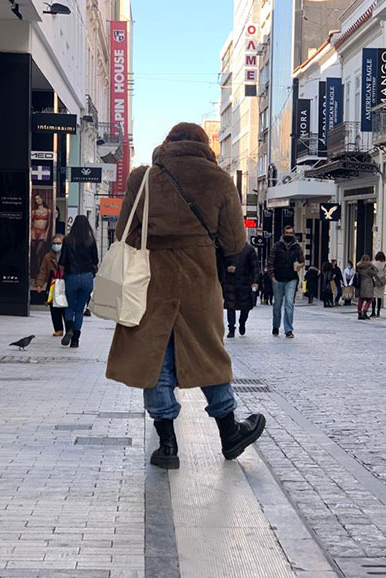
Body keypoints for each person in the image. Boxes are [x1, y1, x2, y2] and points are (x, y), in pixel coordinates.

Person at [106, 122, 265, 470]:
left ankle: (167, 444)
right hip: (199, 283)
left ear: (167, 143)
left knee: (156, 359)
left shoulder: (143, 178)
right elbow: (235, 243)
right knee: (208, 354)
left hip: (152, 283)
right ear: (205, 145)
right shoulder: (218, 179)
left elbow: (124, 235)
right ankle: (229, 432)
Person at [58, 215, 98, 348]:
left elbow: (62, 261)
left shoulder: (68, 240)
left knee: (69, 307)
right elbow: (95, 261)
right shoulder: (91, 241)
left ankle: (69, 329)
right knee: (80, 310)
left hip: (71, 277)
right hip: (87, 277)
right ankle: (75, 340)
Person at [267, 225, 304, 338]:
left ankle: (288, 329)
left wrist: (299, 265)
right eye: (287, 233)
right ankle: (276, 325)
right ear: (283, 234)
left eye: (291, 233)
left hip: (291, 279)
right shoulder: (276, 246)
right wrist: (272, 277)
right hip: (278, 278)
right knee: (277, 305)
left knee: (289, 303)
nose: (289, 235)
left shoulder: (297, 247)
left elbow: (302, 261)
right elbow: (270, 263)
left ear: (293, 234)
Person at [223, 242, 260, 338]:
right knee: (231, 306)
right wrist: (227, 268)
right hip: (231, 282)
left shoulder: (249, 249)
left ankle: (242, 322)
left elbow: (255, 267)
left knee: (245, 307)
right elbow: (221, 263)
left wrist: (255, 281)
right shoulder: (228, 249)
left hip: (245, 282)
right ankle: (231, 328)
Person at [35, 234, 69, 337]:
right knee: (54, 307)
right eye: (54, 243)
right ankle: (58, 329)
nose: (56, 245)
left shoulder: (68, 255)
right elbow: (43, 271)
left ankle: (69, 329)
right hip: (53, 284)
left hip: (65, 283)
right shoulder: (48, 257)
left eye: (59, 243)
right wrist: (39, 284)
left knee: (66, 307)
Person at [30, 194, 51, 278]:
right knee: (33, 252)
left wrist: (46, 233)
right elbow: (30, 222)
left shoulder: (48, 211)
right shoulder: (34, 211)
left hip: (43, 231)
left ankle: (38, 270)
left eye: (39, 198)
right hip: (34, 231)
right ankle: (33, 270)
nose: (38, 200)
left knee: (38, 252)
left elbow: (49, 224)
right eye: (36, 199)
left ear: (42, 199)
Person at [355, 255, 380, 320]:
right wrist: (372, 265)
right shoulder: (369, 268)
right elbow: (376, 272)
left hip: (361, 285)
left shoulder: (359, 267)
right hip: (368, 285)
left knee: (361, 300)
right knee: (370, 299)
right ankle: (365, 311)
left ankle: (359, 313)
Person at [371, 251, 386, 317]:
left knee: (374, 297)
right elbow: (385, 271)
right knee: (380, 297)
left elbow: (372, 271)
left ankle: (373, 312)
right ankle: (378, 312)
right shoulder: (385, 264)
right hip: (381, 282)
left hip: (375, 280)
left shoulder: (373, 263)